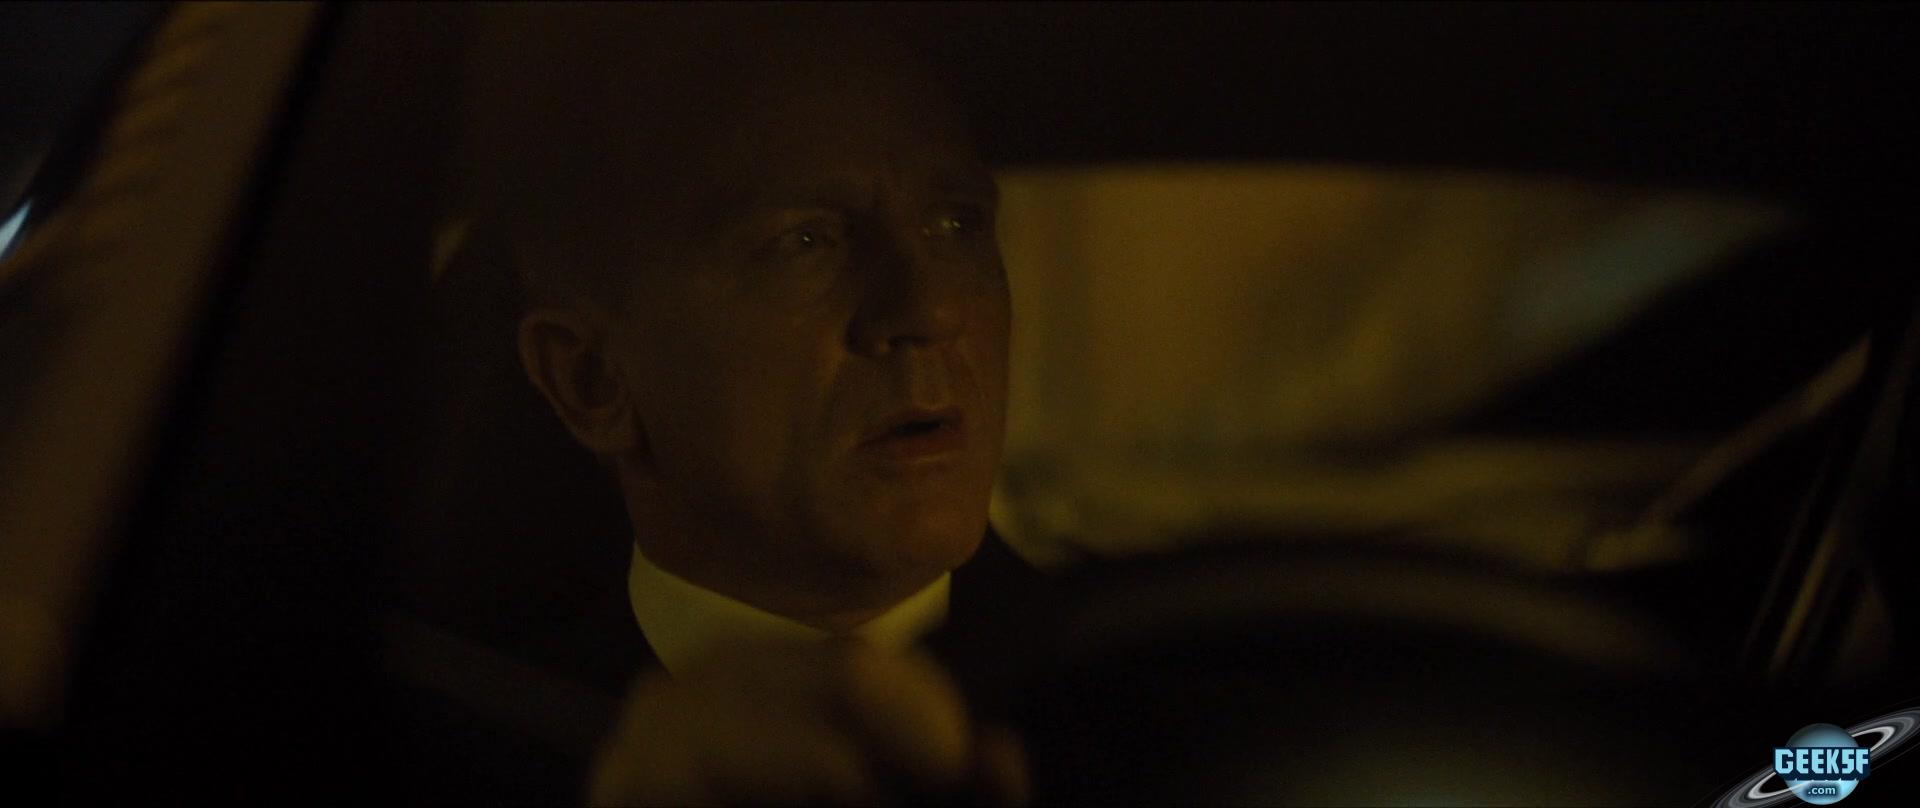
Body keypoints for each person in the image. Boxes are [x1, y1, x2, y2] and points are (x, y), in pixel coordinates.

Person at [446, 4, 1038, 804]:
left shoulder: (1159, 703)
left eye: (955, 223)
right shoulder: (444, 751)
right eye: (804, 241)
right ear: (591, 380)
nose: (928, 309)